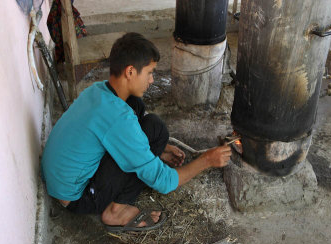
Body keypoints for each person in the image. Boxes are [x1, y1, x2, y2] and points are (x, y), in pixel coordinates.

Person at [41, 32, 232, 232]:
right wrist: (207, 160)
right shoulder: (119, 120)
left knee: (138, 108)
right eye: (149, 72)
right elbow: (165, 182)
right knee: (154, 127)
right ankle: (116, 211)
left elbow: (115, 128)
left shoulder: (97, 90)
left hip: (58, 179)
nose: (151, 80)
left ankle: (144, 155)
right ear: (130, 72)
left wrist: (162, 149)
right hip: (78, 197)